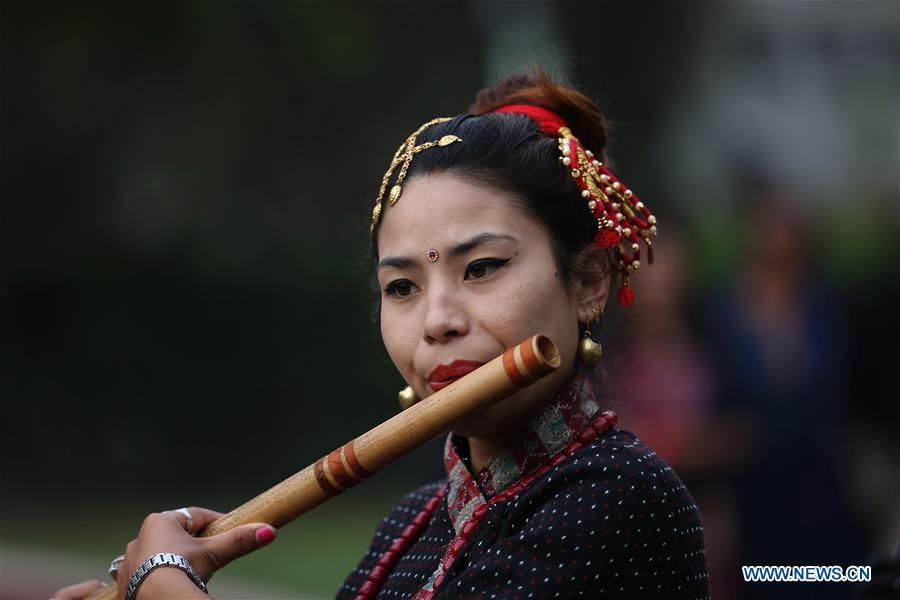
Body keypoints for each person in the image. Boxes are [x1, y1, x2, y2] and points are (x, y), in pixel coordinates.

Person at [54, 74, 710, 600]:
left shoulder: (623, 500)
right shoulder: (411, 524)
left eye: (481, 269)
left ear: (590, 280)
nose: (437, 320)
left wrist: (165, 583)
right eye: (403, 287)